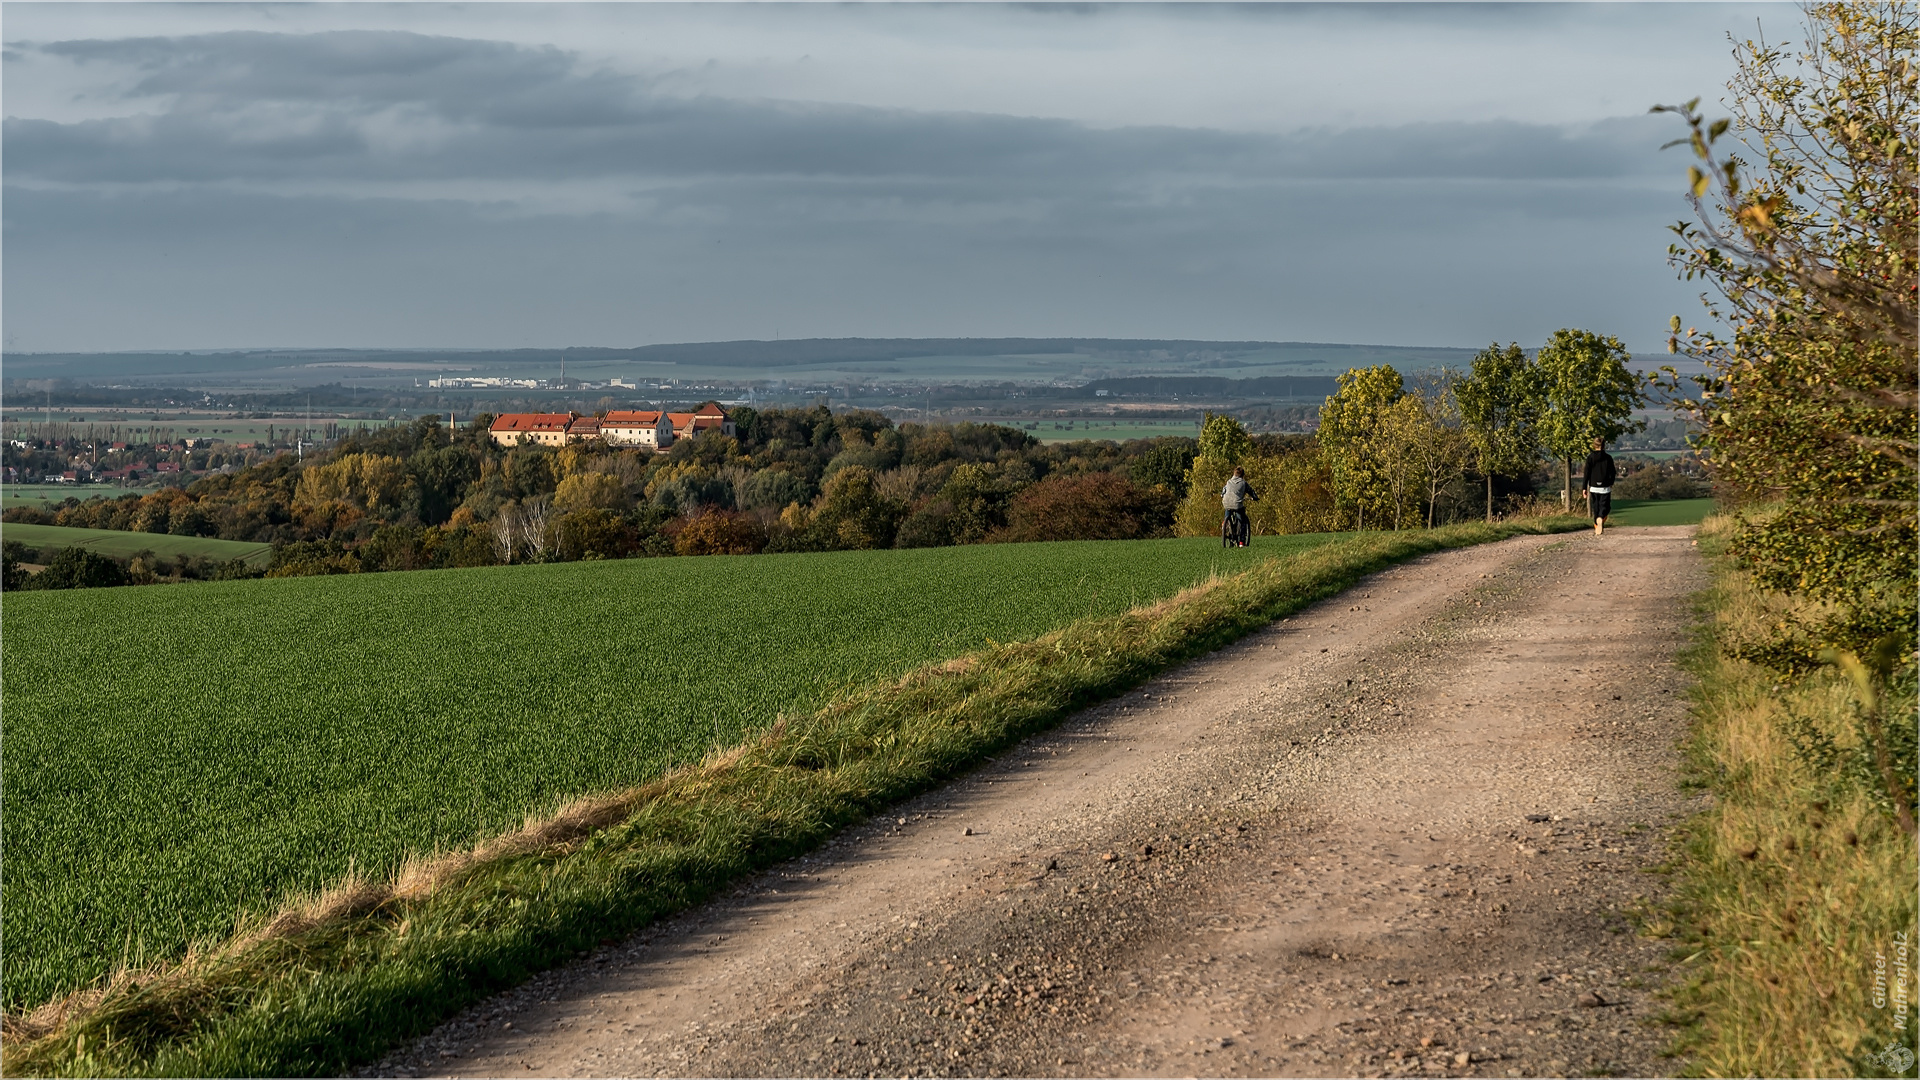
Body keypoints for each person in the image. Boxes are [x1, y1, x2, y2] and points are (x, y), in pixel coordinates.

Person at [1581, 436, 1616, 535]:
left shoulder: (1590, 457)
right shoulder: (1608, 458)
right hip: (1605, 487)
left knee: (1595, 507)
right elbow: (1613, 472)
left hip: (1593, 486)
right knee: (1605, 507)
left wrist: (1584, 487)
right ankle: (1601, 518)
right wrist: (1611, 482)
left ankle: (1596, 524)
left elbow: (1586, 473)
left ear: (1594, 445)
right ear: (1604, 446)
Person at [1221, 466, 1258, 547]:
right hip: (1237, 504)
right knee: (1243, 520)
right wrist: (1255, 497)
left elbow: (1223, 492)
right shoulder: (1243, 483)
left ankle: (1225, 523)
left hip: (1226, 502)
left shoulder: (1228, 482)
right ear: (1242, 475)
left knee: (1228, 509)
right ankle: (1241, 541)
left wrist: (1222, 495)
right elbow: (1251, 491)